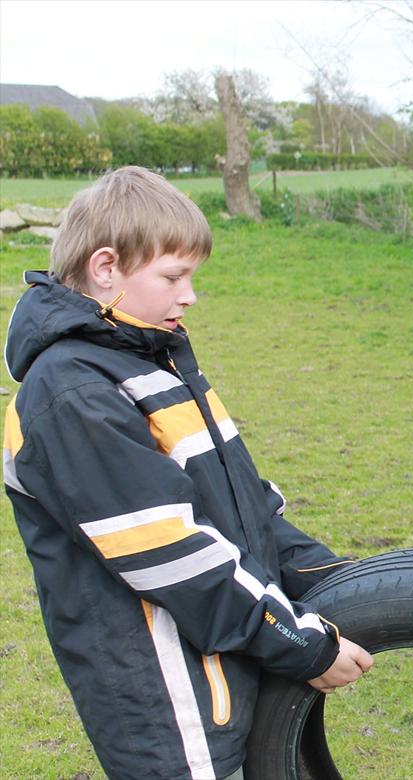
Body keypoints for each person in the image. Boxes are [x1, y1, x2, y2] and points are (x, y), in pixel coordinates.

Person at [2, 166, 373, 780]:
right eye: (173, 276)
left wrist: (342, 583)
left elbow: (241, 509)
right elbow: (168, 551)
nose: (189, 295)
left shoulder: (153, 361)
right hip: (165, 694)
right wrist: (294, 638)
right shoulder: (71, 394)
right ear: (106, 268)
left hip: (226, 656)